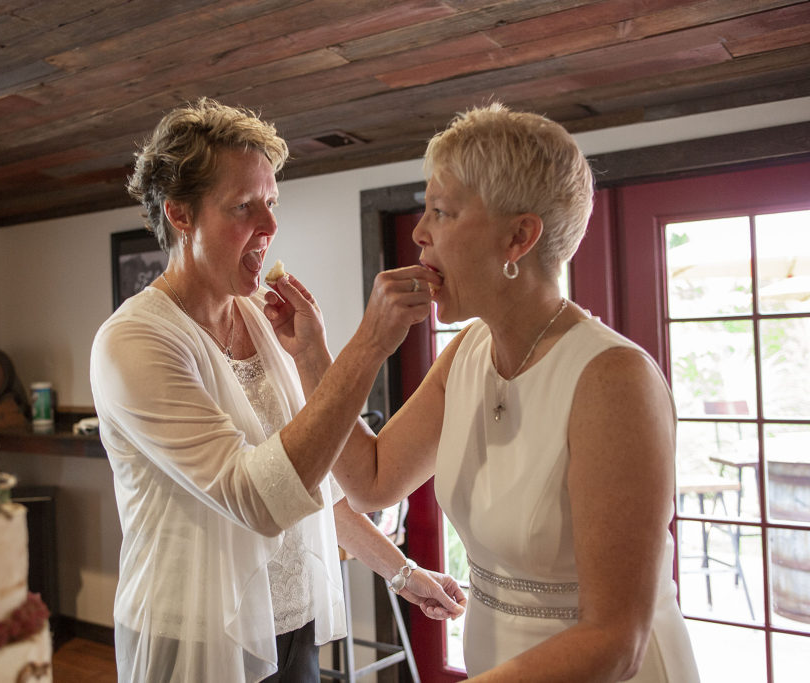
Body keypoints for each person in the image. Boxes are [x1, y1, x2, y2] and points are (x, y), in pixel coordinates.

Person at [288, 103, 700, 681]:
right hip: (495, 658)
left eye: (442, 211)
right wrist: (314, 354)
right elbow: (370, 479)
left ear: (518, 237)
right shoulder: (466, 353)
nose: (419, 231)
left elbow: (614, 639)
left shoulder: (613, 380)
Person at [89, 98, 463, 683]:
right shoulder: (135, 341)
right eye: (244, 206)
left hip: (291, 620)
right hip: (196, 635)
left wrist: (402, 573)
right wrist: (366, 347)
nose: (269, 225)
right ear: (181, 215)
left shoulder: (264, 319)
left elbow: (308, 482)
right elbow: (258, 499)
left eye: (272, 203)